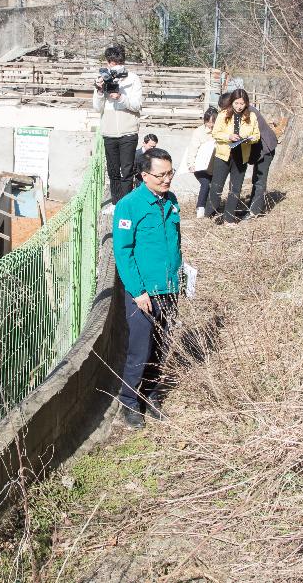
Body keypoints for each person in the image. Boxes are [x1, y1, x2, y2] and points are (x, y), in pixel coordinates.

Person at [113, 147, 184, 428]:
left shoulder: (171, 201)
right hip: (143, 292)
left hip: (169, 286)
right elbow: (123, 251)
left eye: (170, 173)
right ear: (144, 175)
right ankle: (129, 402)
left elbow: (177, 243)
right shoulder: (129, 206)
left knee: (161, 345)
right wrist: (138, 291)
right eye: (161, 175)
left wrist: (181, 279)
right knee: (140, 348)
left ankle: (151, 395)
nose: (167, 180)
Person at [93, 45, 144, 205]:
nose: (113, 66)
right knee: (113, 171)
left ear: (123, 62)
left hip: (128, 131)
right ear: (108, 63)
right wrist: (101, 92)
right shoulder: (103, 78)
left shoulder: (133, 79)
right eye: (111, 62)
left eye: (117, 62)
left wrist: (120, 97)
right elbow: (97, 107)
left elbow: (137, 105)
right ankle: (116, 203)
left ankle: (126, 204)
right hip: (109, 132)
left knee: (127, 171)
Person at [208, 89, 260, 224]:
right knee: (217, 186)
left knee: (235, 188)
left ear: (246, 103)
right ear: (232, 102)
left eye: (242, 103)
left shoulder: (251, 116)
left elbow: (256, 135)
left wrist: (250, 139)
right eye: (236, 103)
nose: (239, 106)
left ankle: (229, 219)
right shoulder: (223, 114)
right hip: (224, 155)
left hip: (241, 156)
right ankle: (210, 214)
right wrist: (228, 136)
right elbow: (215, 133)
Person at [247, 105, 282, 218]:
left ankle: (255, 211)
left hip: (266, 148)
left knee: (260, 180)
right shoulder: (245, 110)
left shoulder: (248, 113)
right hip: (262, 148)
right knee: (256, 179)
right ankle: (252, 207)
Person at [187, 108, 219, 218]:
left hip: (214, 165)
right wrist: (191, 164)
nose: (210, 124)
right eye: (208, 121)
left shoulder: (219, 131)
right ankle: (200, 208)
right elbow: (192, 149)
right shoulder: (198, 132)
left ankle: (212, 209)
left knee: (214, 186)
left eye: (212, 122)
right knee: (205, 184)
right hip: (200, 166)